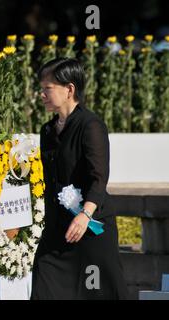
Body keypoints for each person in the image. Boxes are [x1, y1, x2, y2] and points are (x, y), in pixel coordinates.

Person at [31, 58, 130, 300]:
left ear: (70, 89)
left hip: (90, 229)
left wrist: (85, 215)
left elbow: (99, 177)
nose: (40, 94)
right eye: (41, 88)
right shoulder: (47, 130)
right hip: (57, 232)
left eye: (47, 88)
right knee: (44, 288)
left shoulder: (90, 125)